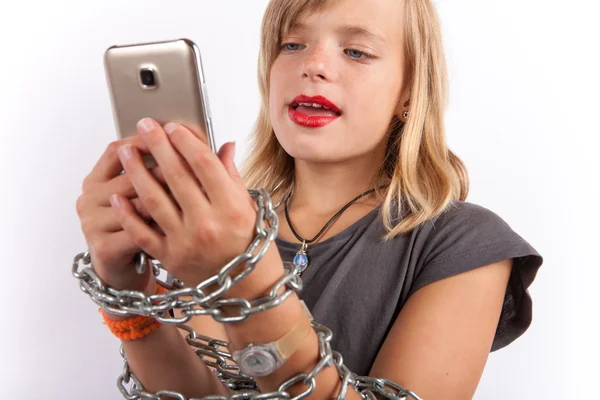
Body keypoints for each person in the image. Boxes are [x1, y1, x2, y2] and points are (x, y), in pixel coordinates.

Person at [75, 0, 544, 398]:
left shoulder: (464, 244)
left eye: (357, 51)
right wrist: (126, 292)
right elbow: (198, 392)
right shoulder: (217, 229)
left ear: (408, 91)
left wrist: (247, 279)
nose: (313, 64)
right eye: (292, 44)